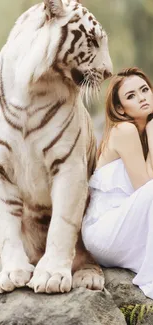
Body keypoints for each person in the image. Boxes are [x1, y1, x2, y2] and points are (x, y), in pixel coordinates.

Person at [82, 67, 153, 299]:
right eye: (131, 96)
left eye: (144, 90)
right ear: (120, 108)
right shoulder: (125, 130)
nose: (142, 97)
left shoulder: (139, 134)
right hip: (103, 230)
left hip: (124, 225)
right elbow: (145, 187)